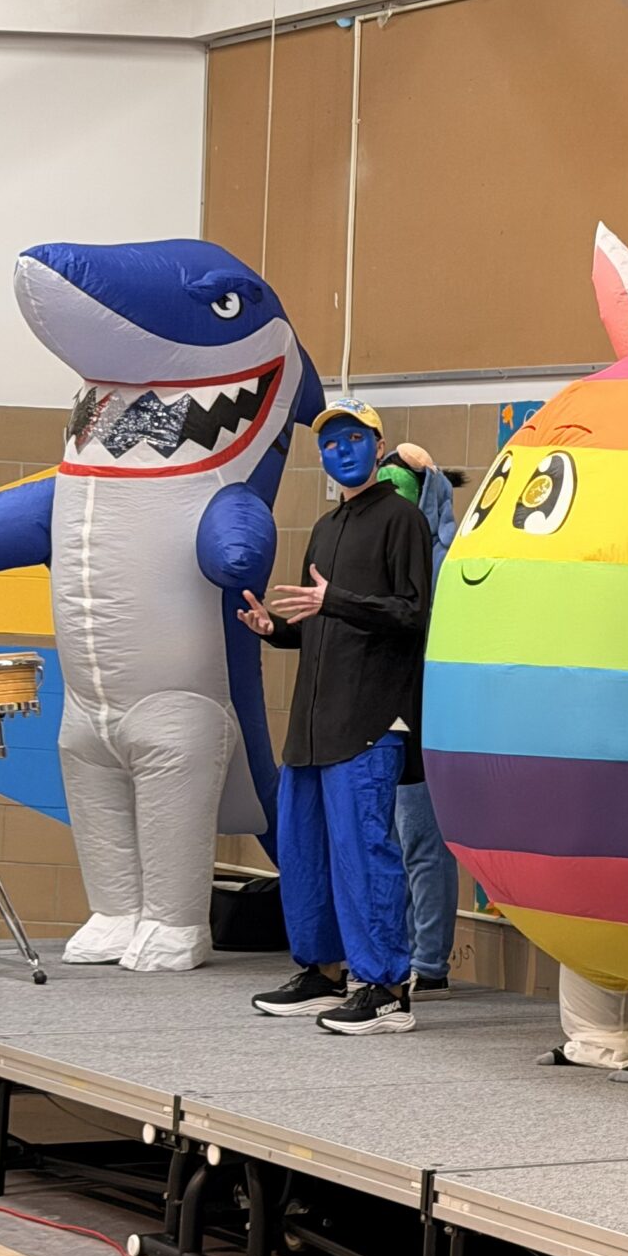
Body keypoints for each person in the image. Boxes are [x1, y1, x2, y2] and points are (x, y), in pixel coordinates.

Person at [239, 401, 434, 1035]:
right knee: (305, 854)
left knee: (364, 854)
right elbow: (321, 624)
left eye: (353, 439)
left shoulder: (403, 519)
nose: (341, 451)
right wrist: (276, 629)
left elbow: (413, 613)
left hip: (369, 722)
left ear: (377, 445)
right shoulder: (325, 528)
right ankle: (324, 971)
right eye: (330, 444)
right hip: (313, 726)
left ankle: (386, 989)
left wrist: (337, 600)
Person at [375, 442, 460, 993]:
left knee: (421, 838)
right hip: (385, 706)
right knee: (393, 838)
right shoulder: (385, 549)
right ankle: (404, 952)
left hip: (431, 711)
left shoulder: (446, 557)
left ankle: (428, 961)